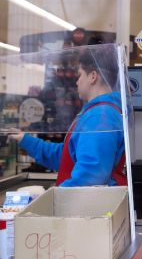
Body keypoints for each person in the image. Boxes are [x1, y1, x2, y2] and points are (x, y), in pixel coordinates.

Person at [8, 47, 127, 187]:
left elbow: (89, 178)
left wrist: (54, 200)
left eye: (80, 74)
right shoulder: (98, 112)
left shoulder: (100, 117)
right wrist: (25, 139)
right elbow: (67, 156)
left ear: (93, 77)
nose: (77, 81)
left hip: (86, 207)